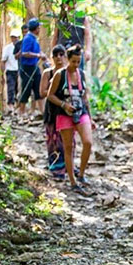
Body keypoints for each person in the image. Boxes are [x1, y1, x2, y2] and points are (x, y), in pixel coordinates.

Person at [46, 45, 94, 194]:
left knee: (88, 142)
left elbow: (85, 97)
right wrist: (64, 104)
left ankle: (81, 174)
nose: (75, 65)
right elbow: (50, 95)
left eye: (78, 62)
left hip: (81, 112)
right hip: (64, 113)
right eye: (73, 61)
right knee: (68, 147)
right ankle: (72, 181)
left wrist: (90, 118)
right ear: (68, 60)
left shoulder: (82, 74)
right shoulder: (60, 75)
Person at [40, 44, 72, 180]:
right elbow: (42, 92)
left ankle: (69, 166)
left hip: (67, 109)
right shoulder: (48, 73)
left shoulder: (70, 72)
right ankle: (55, 166)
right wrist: (54, 92)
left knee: (68, 140)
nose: (59, 58)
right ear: (52, 58)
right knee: (53, 139)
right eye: (56, 55)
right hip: (53, 109)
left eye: (61, 54)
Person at [51, 0, 92, 70]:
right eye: (69, 4)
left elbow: (87, 35)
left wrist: (88, 50)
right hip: (62, 52)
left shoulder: (82, 17)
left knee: (78, 73)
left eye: (73, 3)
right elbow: (55, 36)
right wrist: (52, 52)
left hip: (77, 52)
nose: (71, 6)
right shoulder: (60, 18)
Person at [18, 18, 46, 117]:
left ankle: (43, 112)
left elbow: (38, 51)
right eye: (39, 28)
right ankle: (22, 112)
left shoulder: (34, 38)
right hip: (27, 68)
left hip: (34, 66)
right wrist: (38, 56)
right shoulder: (28, 38)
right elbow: (25, 53)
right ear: (36, 29)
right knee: (26, 89)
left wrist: (42, 55)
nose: (39, 30)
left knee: (38, 88)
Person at [1, 31, 19, 115]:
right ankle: (11, 106)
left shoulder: (21, 47)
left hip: (19, 71)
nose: (15, 39)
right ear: (11, 38)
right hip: (10, 71)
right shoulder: (7, 48)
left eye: (17, 37)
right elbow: (3, 61)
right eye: (13, 37)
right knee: (11, 88)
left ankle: (18, 106)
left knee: (18, 89)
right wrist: (2, 74)